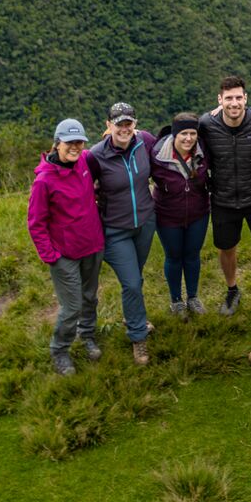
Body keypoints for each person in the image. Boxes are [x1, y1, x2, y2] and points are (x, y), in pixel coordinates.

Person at [198, 76, 251, 317]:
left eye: (238, 98)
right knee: (226, 248)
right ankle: (232, 289)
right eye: (228, 98)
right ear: (219, 100)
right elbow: (183, 134)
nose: (233, 103)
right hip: (223, 199)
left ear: (245, 98)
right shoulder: (207, 124)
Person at [28, 119, 103, 376]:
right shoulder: (44, 181)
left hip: (92, 245)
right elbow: (35, 223)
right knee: (72, 306)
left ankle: (88, 335)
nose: (74, 147)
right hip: (65, 255)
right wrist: (51, 256)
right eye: (69, 142)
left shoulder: (84, 161)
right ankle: (59, 349)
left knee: (90, 297)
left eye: (79, 142)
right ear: (57, 143)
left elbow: (110, 144)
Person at [86, 102, 156, 365]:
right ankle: (138, 337)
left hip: (145, 224)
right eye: (119, 124)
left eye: (129, 123)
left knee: (135, 279)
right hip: (115, 231)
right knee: (132, 282)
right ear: (108, 126)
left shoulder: (144, 142)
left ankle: (134, 315)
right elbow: (81, 187)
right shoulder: (95, 155)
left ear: (135, 124)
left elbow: (174, 143)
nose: (124, 128)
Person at [150, 112, 210, 317]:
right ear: (174, 134)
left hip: (198, 213)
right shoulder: (157, 155)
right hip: (167, 215)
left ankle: (192, 297)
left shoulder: (203, 152)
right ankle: (176, 300)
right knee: (174, 257)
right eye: (183, 133)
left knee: (192, 256)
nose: (188, 138)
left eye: (193, 133)